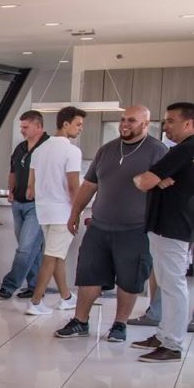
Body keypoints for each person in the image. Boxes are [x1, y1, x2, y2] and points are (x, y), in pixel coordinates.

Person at [55, 106, 167, 342]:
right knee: (89, 275)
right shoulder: (106, 150)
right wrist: (74, 212)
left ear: (146, 124)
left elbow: (167, 188)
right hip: (99, 227)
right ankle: (80, 321)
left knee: (130, 279)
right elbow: (89, 185)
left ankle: (119, 324)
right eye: (123, 119)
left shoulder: (157, 151)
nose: (125, 124)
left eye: (132, 120)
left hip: (136, 230)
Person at [131, 102, 194, 363]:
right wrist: (155, 179)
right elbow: (147, 180)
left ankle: (172, 344)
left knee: (172, 285)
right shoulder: (181, 151)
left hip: (172, 226)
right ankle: (164, 334)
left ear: (188, 123)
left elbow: (142, 181)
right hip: (167, 225)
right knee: (168, 284)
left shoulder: (185, 150)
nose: (165, 126)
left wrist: (152, 178)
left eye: (170, 121)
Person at [25, 106, 86, 316]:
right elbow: (73, 186)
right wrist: (76, 212)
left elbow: (30, 186)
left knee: (56, 255)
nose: (80, 129)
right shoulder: (72, 151)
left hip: (44, 211)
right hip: (63, 212)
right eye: (78, 125)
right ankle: (35, 301)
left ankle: (66, 297)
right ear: (66, 123)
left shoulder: (39, 150)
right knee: (51, 257)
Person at [0, 111, 50, 299]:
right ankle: (35, 286)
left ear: (38, 126)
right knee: (30, 247)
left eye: (26, 127)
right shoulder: (20, 148)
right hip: (18, 203)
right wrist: (10, 190)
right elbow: (13, 171)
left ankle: (9, 286)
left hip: (38, 205)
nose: (22, 131)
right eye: (21, 127)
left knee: (26, 247)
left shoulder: (48, 147)